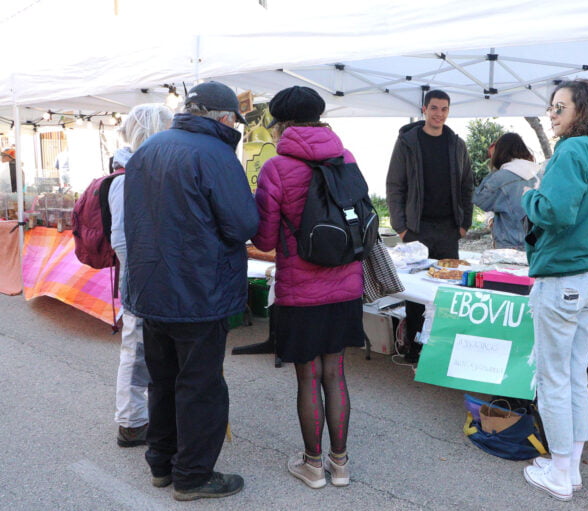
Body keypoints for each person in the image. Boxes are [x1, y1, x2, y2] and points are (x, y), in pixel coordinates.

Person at [123, 81, 260, 501]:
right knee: (200, 386)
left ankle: (162, 465)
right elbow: (243, 225)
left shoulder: (148, 149)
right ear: (223, 118)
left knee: (162, 382)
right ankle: (193, 476)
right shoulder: (216, 154)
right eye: (234, 119)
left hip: (152, 287)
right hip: (200, 292)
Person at [253, 85, 364, 489]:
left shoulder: (276, 168)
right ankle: (342, 465)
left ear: (282, 123)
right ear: (319, 116)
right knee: (335, 373)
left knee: (308, 377)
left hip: (300, 290)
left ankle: (313, 466)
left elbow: (264, 239)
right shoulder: (346, 158)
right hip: (347, 286)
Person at [521, 78, 588, 501]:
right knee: (574, 375)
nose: (553, 114)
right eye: (551, 107)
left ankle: (561, 471)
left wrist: (528, 195)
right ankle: (569, 466)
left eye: (560, 108)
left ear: (582, 110)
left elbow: (555, 211)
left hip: (563, 276)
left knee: (554, 379)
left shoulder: (571, 150)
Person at [385, 89, 474, 361]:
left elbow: (467, 185)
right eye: (434, 108)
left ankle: (443, 350)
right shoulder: (408, 142)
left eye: (444, 109)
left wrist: (464, 224)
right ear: (424, 109)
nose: (439, 114)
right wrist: (402, 227)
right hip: (416, 229)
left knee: (448, 290)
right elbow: (394, 185)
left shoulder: (456, 144)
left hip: (449, 228)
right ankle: (413, 347)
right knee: (416, 292)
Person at [107, 104, 174, 449]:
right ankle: (131, 423)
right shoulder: (126, 176)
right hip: (141, 276)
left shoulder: (144, 168)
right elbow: (122, 238)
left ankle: (147, 416)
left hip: (151, 274)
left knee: (148, 349)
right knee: (135, 349)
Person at [473, 133, 539, 249]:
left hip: (510, 244)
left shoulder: (501, 177)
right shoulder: (540, 173)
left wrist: (493, 172)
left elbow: (480, 200)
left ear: (500, 152)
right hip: (538, 243)